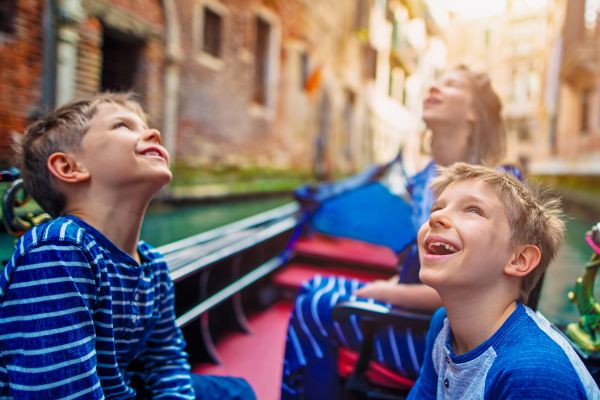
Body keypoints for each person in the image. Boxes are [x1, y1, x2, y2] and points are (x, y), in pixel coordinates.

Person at [281, 65, 519, 399]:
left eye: (450, 84)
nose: (434, 87)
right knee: (312, 290)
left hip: (447, 337)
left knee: (317, 304)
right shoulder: (424, 182)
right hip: (415, 311)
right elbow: (424, 269)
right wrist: (388, 288)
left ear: (473, 113)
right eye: (435, 81)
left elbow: (475, 292)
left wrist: (385, 293)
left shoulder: (499, 187)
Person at [0, 93, 256, 399]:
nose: (153, 133)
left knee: (236, 392)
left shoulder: (153, 265)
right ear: (69, 167)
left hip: (121, 391)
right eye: (123, 125)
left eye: (145, 125)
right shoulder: (57, 252)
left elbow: (166, 360)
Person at [408, 162, 599, 399]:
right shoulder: (444, 325)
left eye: (473, 210)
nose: (437, 216)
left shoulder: (531, 373)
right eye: (437, 208)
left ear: (519, 259)